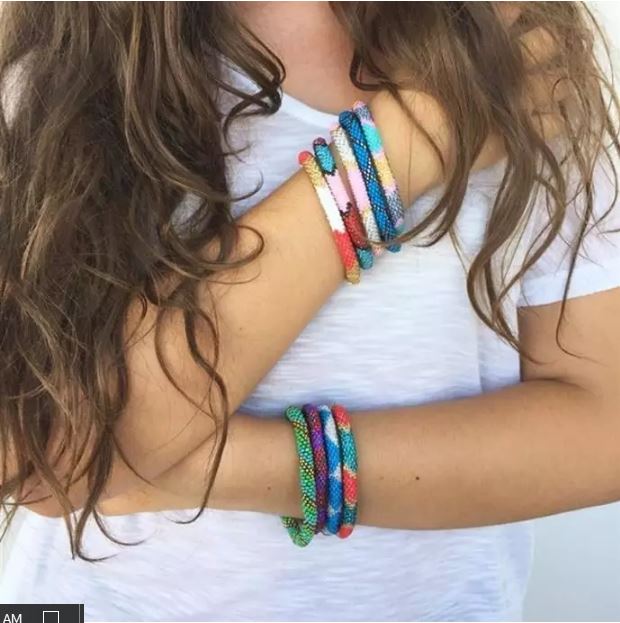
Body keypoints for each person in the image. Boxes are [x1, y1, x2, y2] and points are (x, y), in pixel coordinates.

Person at [1, 2, 619, 621]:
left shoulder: (513, 34)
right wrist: (398, 152)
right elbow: (36, 452)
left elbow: (602, 426)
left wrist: (224, 467)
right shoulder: (62, 42)